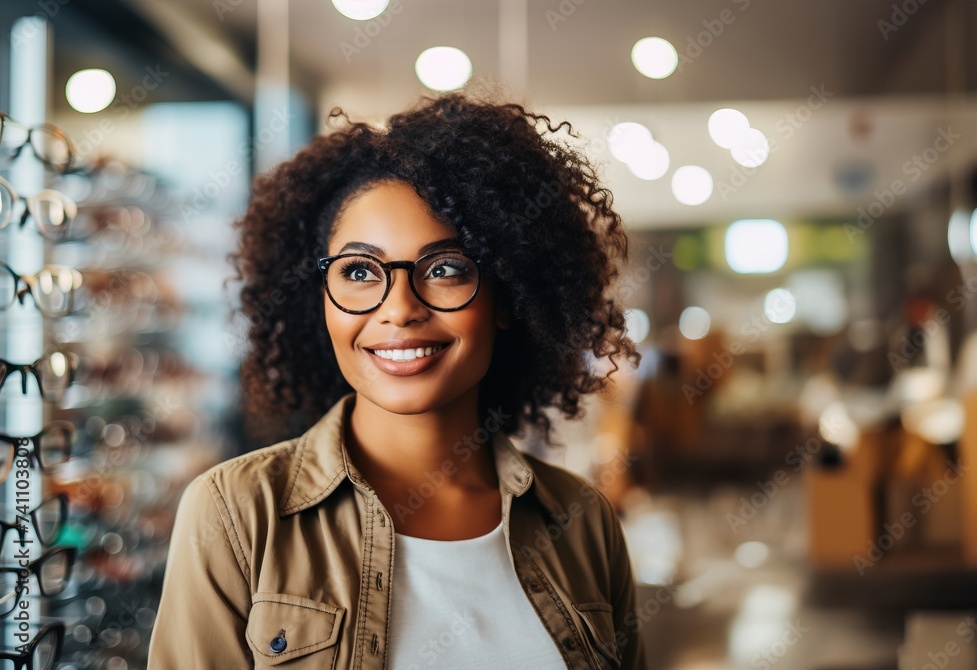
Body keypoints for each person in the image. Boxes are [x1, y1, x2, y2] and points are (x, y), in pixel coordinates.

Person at [148, 91, 647, 669]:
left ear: (508, 295)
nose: (399, 309)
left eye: (445, 269)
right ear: (321, 302)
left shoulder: (582, 521)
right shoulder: (235, 514)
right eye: (360, 271)